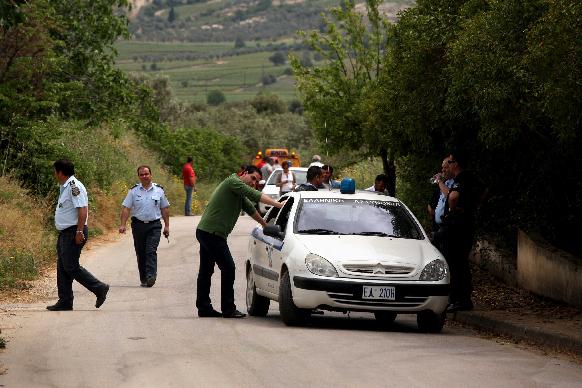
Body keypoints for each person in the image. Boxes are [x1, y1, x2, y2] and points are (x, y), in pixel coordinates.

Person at [196, 165, 284, 318]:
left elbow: (250, 209)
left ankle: (204, 307)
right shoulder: (233, 182)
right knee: (228, 268)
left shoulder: (237, 191)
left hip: (206, 232)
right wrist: (278, 205)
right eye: (253, 178)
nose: (253, 183)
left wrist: (265, 225)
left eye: (257, 181)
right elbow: (254, 195)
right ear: (244, 173)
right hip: (211, 234)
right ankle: (228, 309)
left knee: (206, 271)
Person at [47, 159, 109, 311]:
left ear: (60, 172)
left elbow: (82, 209)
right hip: (66, 232)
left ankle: (99, 287)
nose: (54, 174)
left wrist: (79, 231)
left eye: (55, 171)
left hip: (74, 231)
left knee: (70, 266)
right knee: (62, 266)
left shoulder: (74, 186)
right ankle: (65, 300)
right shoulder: (66, 186)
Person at [434, 151, 485, 313]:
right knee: (459, 262)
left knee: (455, 263)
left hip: (457, 228)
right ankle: (459, 298)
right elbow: (484, 191)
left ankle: (459, 299)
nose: (445, 168)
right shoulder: (471, 179)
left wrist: (453, 209)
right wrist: (473, 207)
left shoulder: (461, 178)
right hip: (464, 226)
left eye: (448, 164)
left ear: (455, 164)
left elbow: (453, 197)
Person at [119, 166, 170, 288]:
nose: (144, 176)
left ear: (151, 175)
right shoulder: (133, 191)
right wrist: (122, 224)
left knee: (150, 250)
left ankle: (151, 276)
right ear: (139, 176)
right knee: (141, 252)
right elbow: (126, 208)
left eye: (146, 174)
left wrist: (167, 226)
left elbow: (164, 208)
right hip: (138, 226)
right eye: (141, 175)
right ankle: (144, 278)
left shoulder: (159, 190)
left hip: (154, 225)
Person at [427, 157, 455, 235]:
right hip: (438, 228)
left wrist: (439, 181)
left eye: (445, 168)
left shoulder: (456, 182)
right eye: (442, 168)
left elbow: (450, 195)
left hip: (449, 230)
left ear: (452, 167)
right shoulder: (445, 183)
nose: (443, 170)